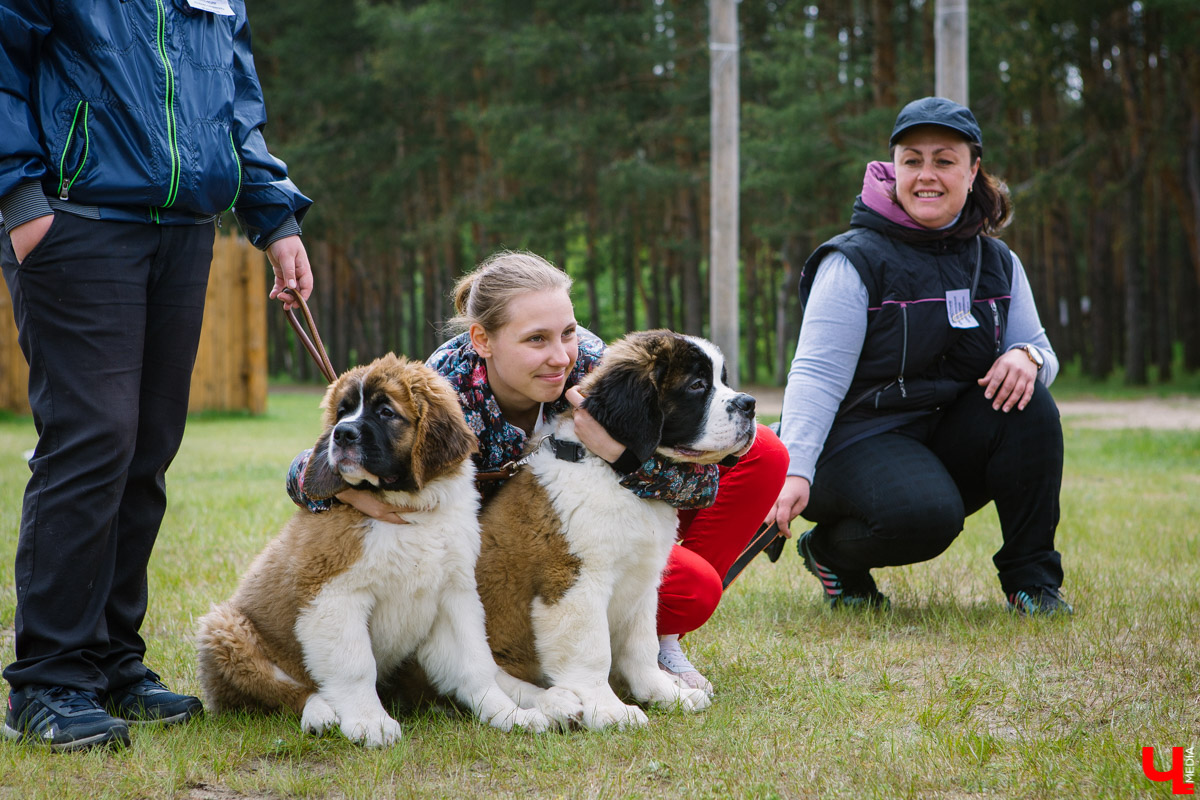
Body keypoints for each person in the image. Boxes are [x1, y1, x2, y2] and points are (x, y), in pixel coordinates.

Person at [1, 1, 313, 751]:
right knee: (94, 437)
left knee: (146, 446)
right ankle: (48, 680)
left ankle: (112, 663)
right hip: (78, 220)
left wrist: (275, 218)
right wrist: (19, 194)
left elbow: (235, 100)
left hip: (182, 231)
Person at [287, 251, 789, 694]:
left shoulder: (593, 366)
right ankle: (599, 643)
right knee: (692, 587)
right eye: (536, 339)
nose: (559, 356)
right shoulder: (444, 390)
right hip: (508, 565)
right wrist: (345, 493)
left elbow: (703, 483)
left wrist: (618, 452)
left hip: (607, 530)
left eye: (567, 332)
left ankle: (655, 638)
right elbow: (308, 469)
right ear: (482, 339)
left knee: (763, 450)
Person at [768, 97, 1070, 616]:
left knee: (1030, 403)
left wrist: (1029, 358)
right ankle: (831, 554)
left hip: (936, 434)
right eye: (912, 160)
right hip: (854, 441)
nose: (926, 175)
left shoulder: (999, 261)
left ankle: (1033, 584)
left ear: (973, 171)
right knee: (926, 516)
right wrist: (794, 468)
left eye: (944, 160)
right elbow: (815, 373)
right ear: (893, 170)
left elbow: (1041, 349)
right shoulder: (854, 259)